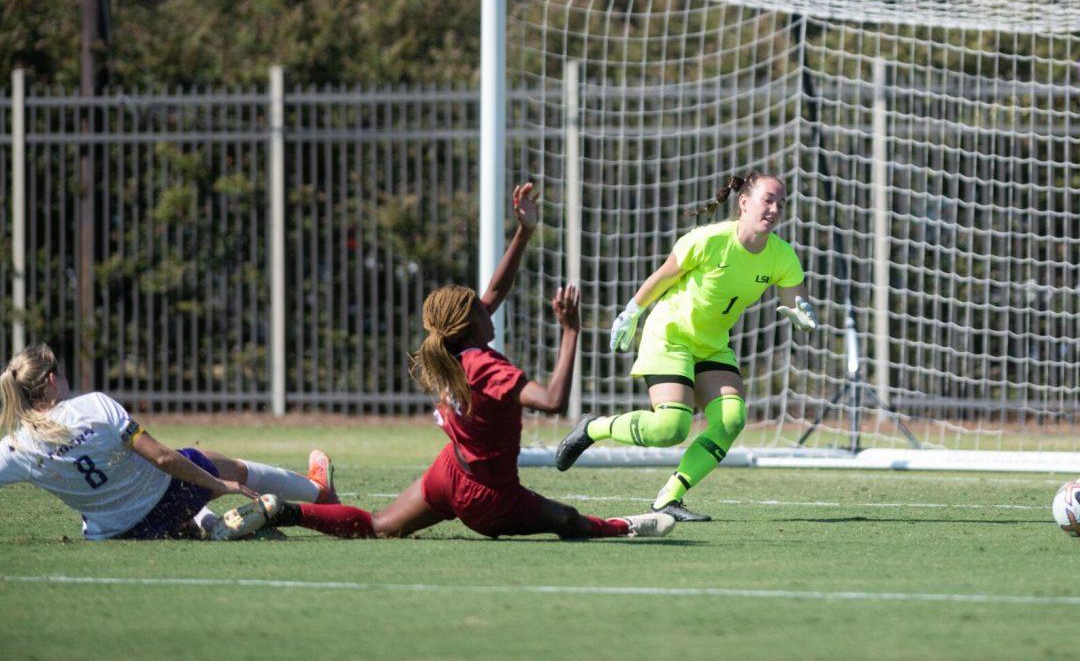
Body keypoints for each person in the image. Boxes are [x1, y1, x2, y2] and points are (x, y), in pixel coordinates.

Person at [218, 183, 675, 541]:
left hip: (449, 472)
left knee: (378, 526)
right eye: (479, 307)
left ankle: (285, 510)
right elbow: (554, 401)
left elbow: (494, 292)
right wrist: (571, 330)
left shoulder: (450, 352)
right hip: (490, 497)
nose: (488, 304)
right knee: (571, 522)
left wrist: (524, 231)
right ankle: (623, 526)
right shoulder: (486, 367)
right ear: (473, 323)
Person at [554, 170, 818, 521]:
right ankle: (592, 428)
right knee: (670, 428)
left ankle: (669, 497)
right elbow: (663, 276)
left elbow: (797, 298)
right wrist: (632, 312)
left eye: (781, 203)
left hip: (711, 345)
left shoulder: (782, 256)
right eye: (767, 200)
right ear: (743, 203)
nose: (774, 209)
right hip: (670, 335)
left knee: (731, 419)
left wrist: (802, 314)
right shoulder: (708, 240)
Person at [0, 343, 336, 540]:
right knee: (198, 459)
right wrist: (218, 484)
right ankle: (316, 490)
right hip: (172, 500)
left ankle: (207, 525)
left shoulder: (17, 447)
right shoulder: (93, 406)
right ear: (52, 379)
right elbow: (162, 458)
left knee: (173, 494)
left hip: (120, 536)